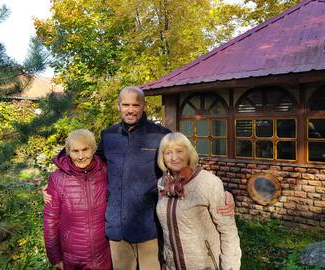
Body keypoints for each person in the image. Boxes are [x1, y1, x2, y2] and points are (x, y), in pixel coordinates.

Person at [43, 86, 235, 270]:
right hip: (117, 230)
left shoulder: (160, 135)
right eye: (126, 105)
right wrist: (57, 180)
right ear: (118, 106)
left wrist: (225, 191)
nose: (130, 110)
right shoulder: (109, 136)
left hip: (148, 229)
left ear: (144, 106)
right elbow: (86, 164)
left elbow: (185, 164)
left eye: (135, 105)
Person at [156, 132, 241, 270]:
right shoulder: (161, 184)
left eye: (179, 151)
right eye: (168, 153)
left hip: (205, 265)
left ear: (189, 153)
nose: (174, 157)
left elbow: (228, 231)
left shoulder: (209, 182)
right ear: (162, 157)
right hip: (172, 265)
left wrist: (230, 266)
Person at [43, 129, 111, 270]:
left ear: (93, 149)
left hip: (104, 254)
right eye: (75, 151)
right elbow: (51, 219)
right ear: (68, 152)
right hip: (73, 258)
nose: (80, 156)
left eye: (85, 150)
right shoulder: (57, 179)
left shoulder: (106, 171)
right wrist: (55, 257)